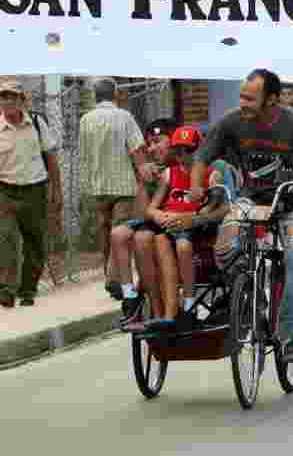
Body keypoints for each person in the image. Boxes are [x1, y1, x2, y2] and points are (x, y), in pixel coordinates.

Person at [189, 68, 293, 363]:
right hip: (249, 201)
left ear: (271, 100)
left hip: (291, 205)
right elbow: (202, 156)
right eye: (241, 96)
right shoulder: (232, 122)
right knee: (225, 249)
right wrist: (195, 186)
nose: (242, 103)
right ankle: (247, 294)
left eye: (250, 98)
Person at [140, 126, 231, 330]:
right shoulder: (169, 175)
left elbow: (216, 206)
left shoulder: (212, 173)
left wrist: (192, 216)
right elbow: (151, 209)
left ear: (200, 151)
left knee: (182, 246)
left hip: (196, 228)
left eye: (188, 151)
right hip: (169, 227)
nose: (183, 156)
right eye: (178, 151)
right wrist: (160, 215)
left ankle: (190, 301)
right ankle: (169, 311)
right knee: (158, 240)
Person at [78, 78, 147, 300]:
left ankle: (112, 276)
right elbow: (136, 148)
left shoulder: (85, 120)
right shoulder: (124, 117)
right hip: (123, 185)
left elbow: (84, 153)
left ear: (95, 96)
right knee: (120, 230)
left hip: (97, 185)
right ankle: (112, 278)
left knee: (106, 232)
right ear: (115, 94)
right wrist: (144, 172)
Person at [0, 78, 62, 308]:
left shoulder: (37, 123)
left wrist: (57, 192)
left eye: (12, 97)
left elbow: (52, 160)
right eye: (3, 97)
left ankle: (28, 289)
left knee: (34, 243)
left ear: (22, 100)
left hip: (35, 190)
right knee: (4, 240)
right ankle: (6, 289)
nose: (7, 101)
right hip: (5, 191)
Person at [109, 117, 177, 322]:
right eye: (149, 143)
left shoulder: (184, 165)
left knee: (143, 238)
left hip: (174, 224)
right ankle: (129, 295)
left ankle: (158, 310)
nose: (152, 148)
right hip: (151, 220)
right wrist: (143, 181)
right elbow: (142, 213)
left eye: (158, 141)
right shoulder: (153, 171)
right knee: (118, 233)